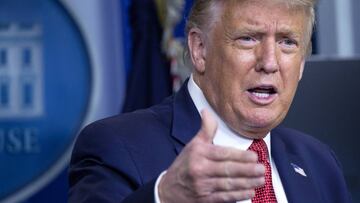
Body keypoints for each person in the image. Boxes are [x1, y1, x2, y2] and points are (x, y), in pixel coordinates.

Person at [68, 0, 351, 202]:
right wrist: (164, 198)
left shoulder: (319, 162)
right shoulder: (117, 145)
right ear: (200, 50)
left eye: (288, 42)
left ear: (301, 64)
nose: (269, 62)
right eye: (248, 38)